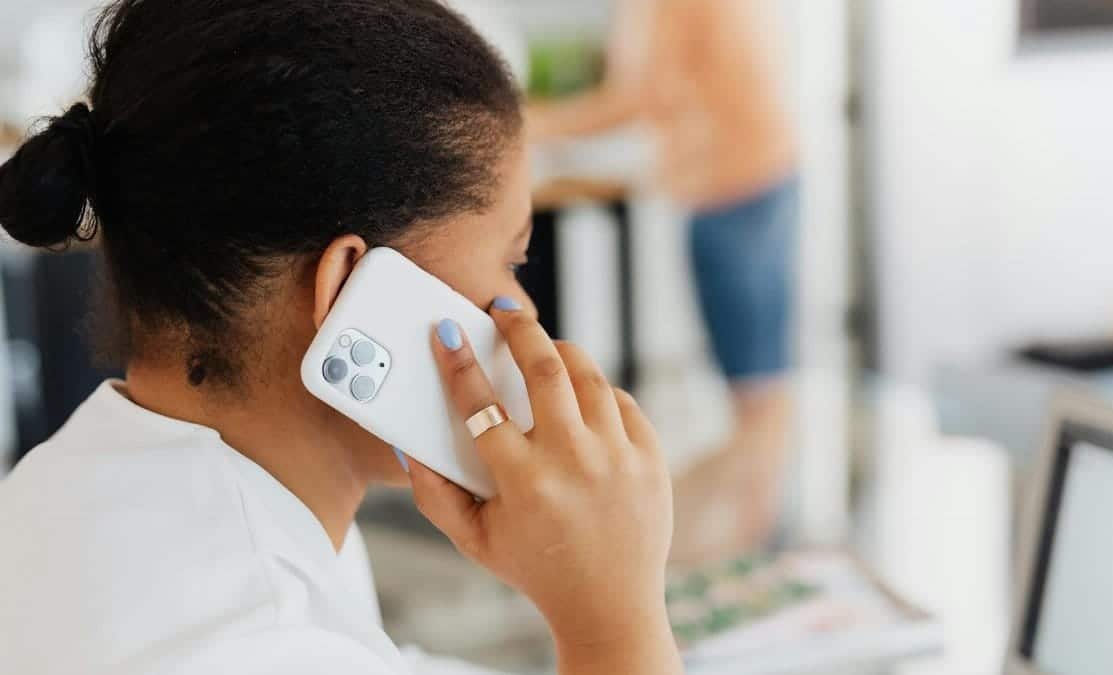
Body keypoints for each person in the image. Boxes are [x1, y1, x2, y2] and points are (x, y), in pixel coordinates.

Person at [0, 2, 682, 675]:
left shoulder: (85, 486)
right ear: (351, 292)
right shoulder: (254, 634)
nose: (526, 310)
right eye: (511, 261)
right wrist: (613, 625)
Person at [527, 0, 801, 561]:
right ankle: (749, 555)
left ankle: (753, 563)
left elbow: (647, 94)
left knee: (758, 396)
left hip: (738, 186)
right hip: (732, 184)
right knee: (753, 394)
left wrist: (534, 123)